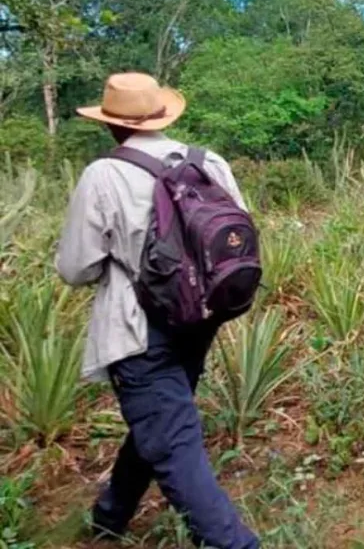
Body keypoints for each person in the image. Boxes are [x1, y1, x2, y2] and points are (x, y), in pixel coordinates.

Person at [56, 72, 259, 548]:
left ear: (112, 124)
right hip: (200, 318)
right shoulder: (209, 162)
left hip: (138, 329)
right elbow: (236, 238)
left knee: (172, 441)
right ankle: (110, 517)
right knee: (160, 421)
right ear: (162, 115)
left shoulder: (104, 175)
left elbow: (75, 268)